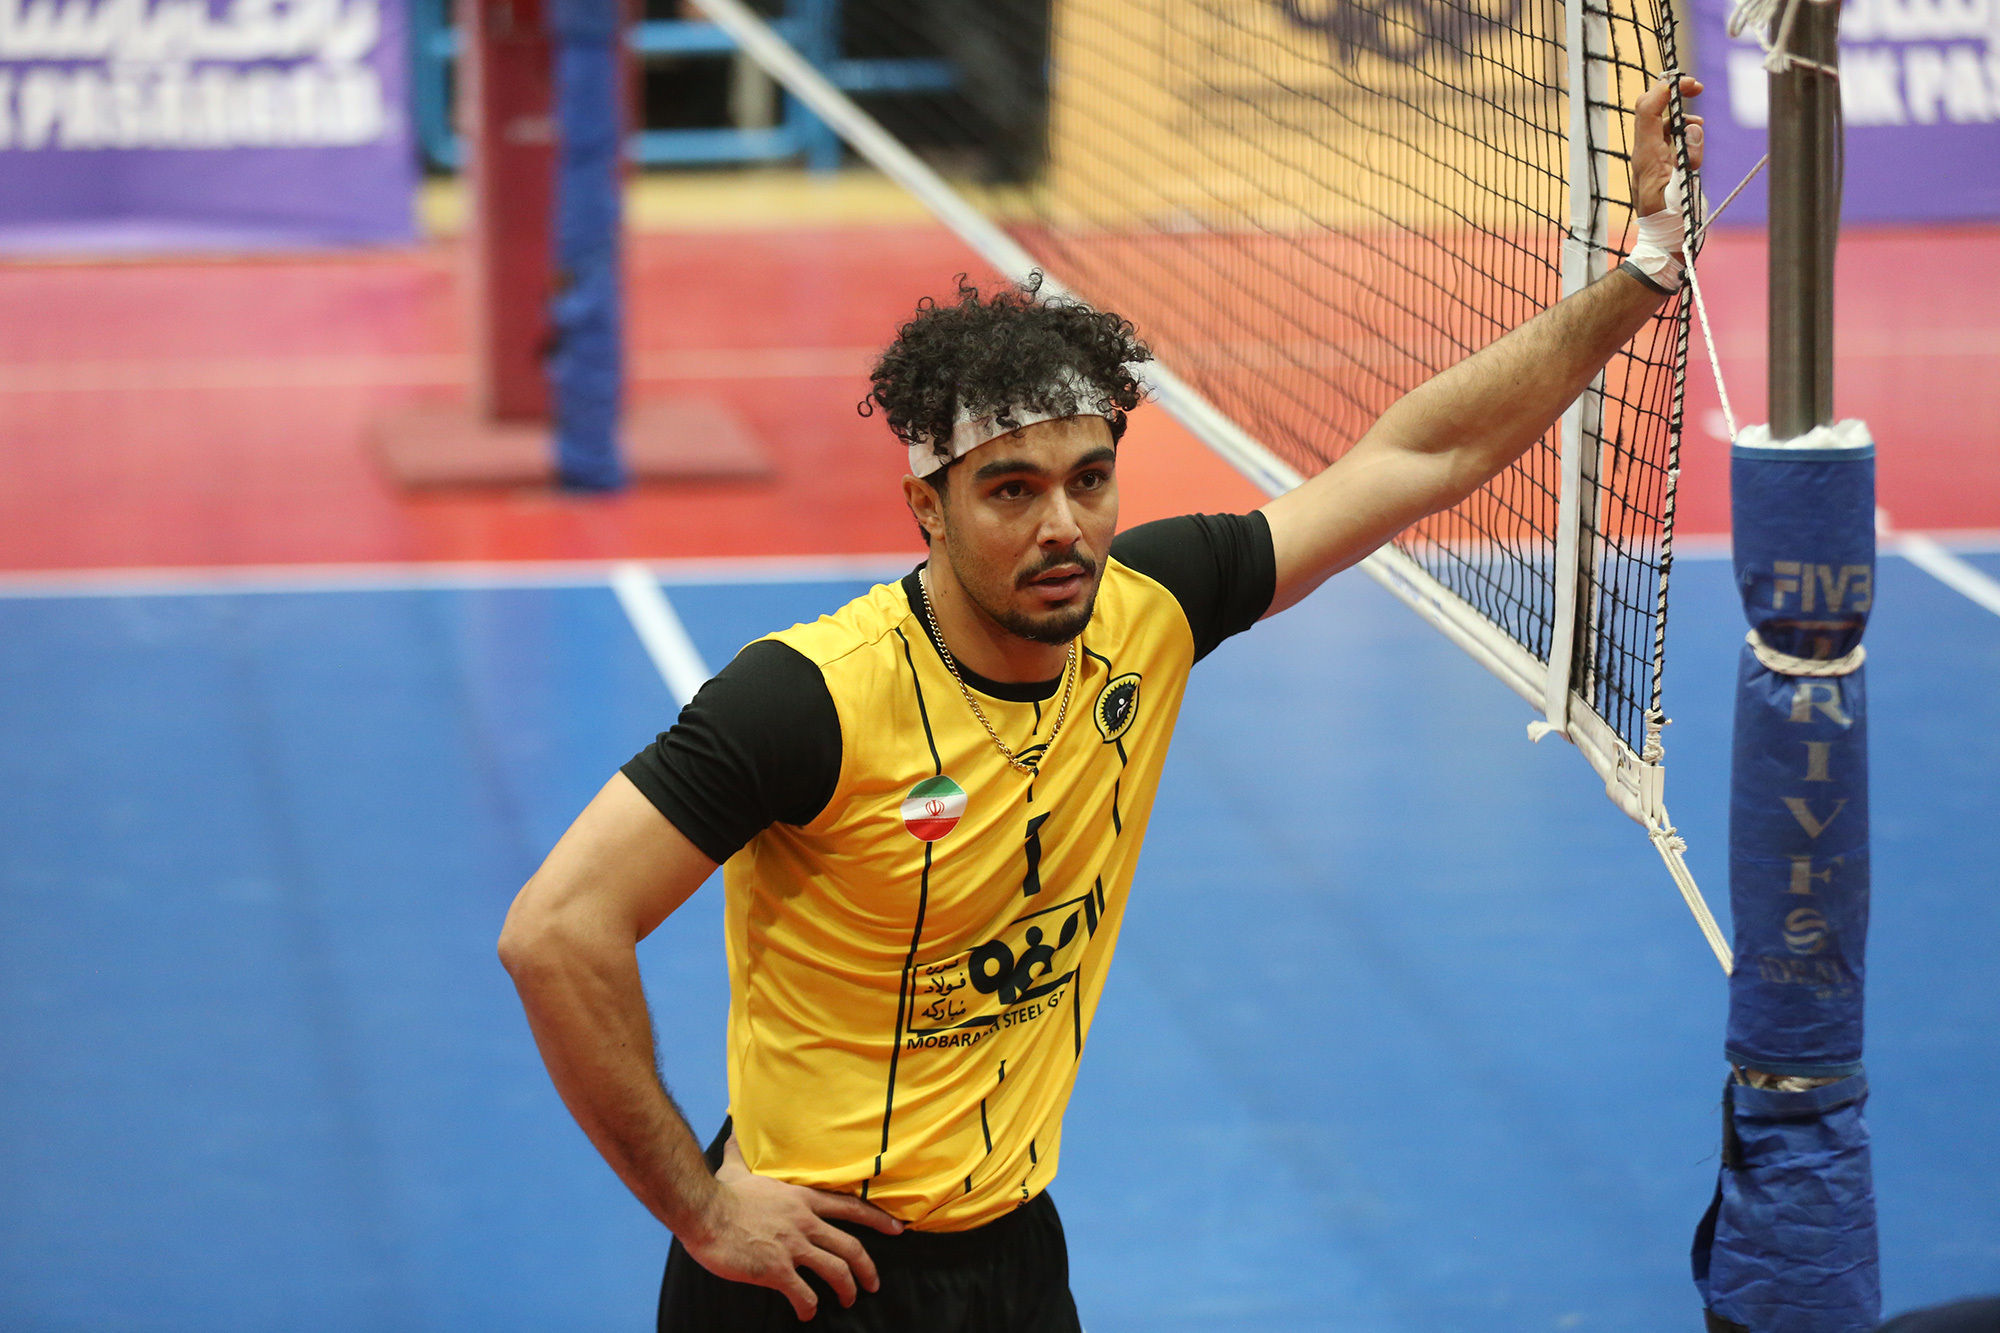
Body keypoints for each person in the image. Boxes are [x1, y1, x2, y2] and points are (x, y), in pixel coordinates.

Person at [498, 76, 1707, 1333]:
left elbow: (1417, 457)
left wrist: (1641, 270)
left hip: (1015, 1251)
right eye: (1010, 490)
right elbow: (556, 929)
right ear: (926, 507)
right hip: (812, 1271)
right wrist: (700, 1212)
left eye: (1088, 479)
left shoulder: (1150, 609)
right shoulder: (808, 698)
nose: (1062, 527)